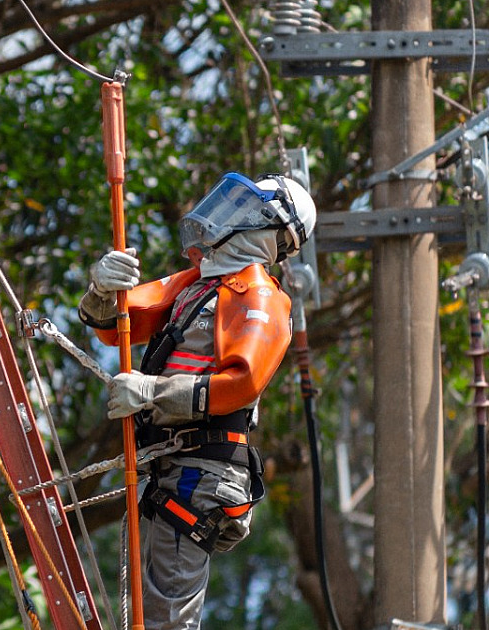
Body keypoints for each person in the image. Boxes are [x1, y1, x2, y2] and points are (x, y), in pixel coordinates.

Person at [78, 172, 317, 628]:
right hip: (173, 465)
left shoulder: (259, 295)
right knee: (151, 612)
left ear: (269, 227)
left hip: (200, 471)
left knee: (166, 616)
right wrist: (103, 288)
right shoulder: (197, 283)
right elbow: (114, 324)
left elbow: (240, 383)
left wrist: (152, 391)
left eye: (242, 206)